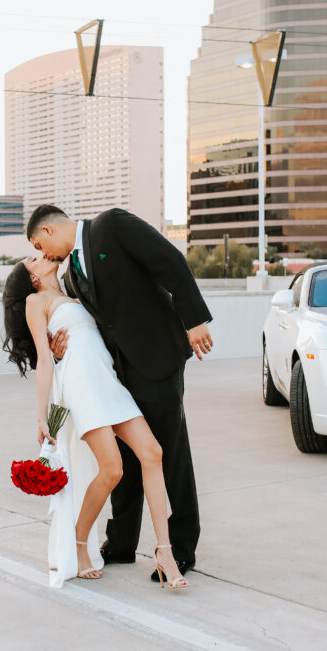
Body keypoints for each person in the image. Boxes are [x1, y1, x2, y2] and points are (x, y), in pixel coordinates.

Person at [27, 205, 213, 581]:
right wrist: (59, 350)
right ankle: (122, 542)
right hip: (116, 374)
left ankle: (180, 547)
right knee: (125, 460)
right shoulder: (71, 277)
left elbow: (170, 261)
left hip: (157, 357)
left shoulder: (111, 225)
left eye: (39, 245)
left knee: (169, 453)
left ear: (48, 231)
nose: (43, 254)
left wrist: (195, 320)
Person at [2, 256, 188, 589]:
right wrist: (41, 416)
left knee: (152, 453)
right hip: (81, 385)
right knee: (112, 469)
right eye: (34, 259)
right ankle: (78, 543)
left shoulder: (73, 293)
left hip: (108, 380)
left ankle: (165, 552)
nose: (42, 256)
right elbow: (44, 360)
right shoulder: (36, 302)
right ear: (32, 279)